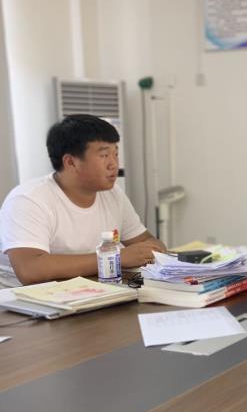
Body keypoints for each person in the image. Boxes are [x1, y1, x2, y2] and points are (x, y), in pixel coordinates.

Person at [0, 114, 165, 286]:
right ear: (70, 162)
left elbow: (146, 241)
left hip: (92, 291)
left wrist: (152, 250)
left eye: (115, 154)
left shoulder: (113, 194)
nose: (114, 164)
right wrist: (115, 257)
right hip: (26, 298)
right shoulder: (28, 199)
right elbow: (31, 270)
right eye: (104, 155)